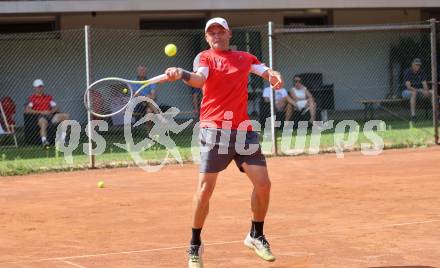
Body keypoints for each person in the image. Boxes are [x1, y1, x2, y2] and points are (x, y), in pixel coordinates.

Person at [164, 17, 283, 267]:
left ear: (229, 33)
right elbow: (199, 80)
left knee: (263, 184)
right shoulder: (204, 57)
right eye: (211, 33)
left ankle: (256, 234)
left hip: (243, 130)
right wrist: (182, 73)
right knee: (205, 190)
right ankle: (194, 244)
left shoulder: (244, 57)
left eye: (220, 31)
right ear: (207, 38)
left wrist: (273, 75)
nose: (216, 35)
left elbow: (263, 70)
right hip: (213, 129)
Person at [24, 79, 70, 147]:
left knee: (66, 116)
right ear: (35, 88)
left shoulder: (48, 97)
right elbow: (27, 110)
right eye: (38, 87)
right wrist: (41, 112)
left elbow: (56, 107)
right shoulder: (32, 98)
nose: (40, 88)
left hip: (50, 116)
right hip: (40, 116)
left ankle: (62, 140)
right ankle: (44, 141)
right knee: (43, 122)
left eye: (41, 86)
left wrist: (51, 111)